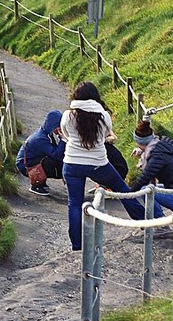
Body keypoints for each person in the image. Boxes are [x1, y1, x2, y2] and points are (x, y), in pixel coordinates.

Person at [61, 81, 149, 251]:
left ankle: (77, 246)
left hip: (72, 163)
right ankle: (145, 223)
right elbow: (105, 135)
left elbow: (66, 134)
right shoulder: (103, 116)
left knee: (74, 203)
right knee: (123, 191)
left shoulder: (68, 115)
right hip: (98, 164)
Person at [15, 110, 66, 196]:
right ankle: (36, 184)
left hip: (29, 160)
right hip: (24, 165)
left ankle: (40, 182)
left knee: (54, 162)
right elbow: (57, 155)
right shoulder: (40, 139)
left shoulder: (45, 134)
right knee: (54, 164)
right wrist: (63, 140)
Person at [128, 118, 173, 213]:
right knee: (154, 188)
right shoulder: (164, 142)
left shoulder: (156, 157)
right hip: (169, 187)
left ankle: (159, 223)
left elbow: (144, 178)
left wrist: (128, 194)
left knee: (146, 190)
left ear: (139, 142)